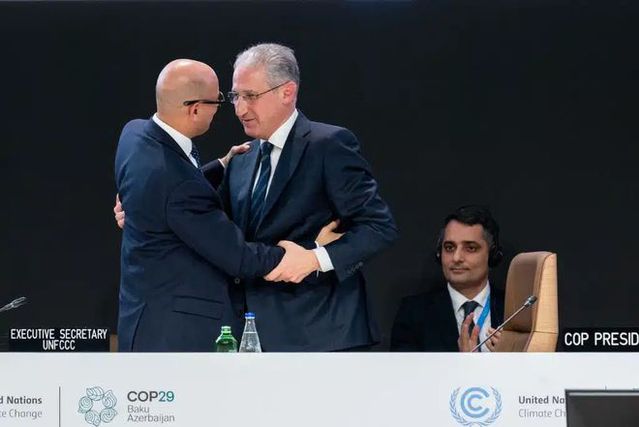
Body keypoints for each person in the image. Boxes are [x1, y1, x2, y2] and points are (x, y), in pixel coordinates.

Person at [115, 59, 322, 352]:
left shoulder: (134, 134)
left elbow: (167, 190)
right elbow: (239, 258)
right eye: (220, 100)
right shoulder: (177, 186)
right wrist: (310, 254)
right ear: (195, 109)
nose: (233, 109)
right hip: (174, 338)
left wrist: (221, 165)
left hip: (141, 318)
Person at [202, 43, 399, 351]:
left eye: (251, 96)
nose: (240, 109)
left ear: (287, 92)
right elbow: (218, 229)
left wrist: (314, 259)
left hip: (320, 333)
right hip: (251, 335)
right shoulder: (241, 158)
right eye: (236, 96)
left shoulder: (329, 145)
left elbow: (378, 227)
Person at [391, 205, 505, 352]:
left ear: (493, 255)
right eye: (450, 248)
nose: (456, 258)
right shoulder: (413, 314)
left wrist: (511, 360)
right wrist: (462, 362)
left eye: (470, 248)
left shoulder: (517, 311)